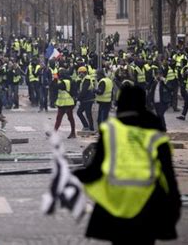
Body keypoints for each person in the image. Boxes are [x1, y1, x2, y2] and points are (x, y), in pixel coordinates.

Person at [74, 86, 181, 245]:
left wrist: (74, 176)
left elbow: (95, 170)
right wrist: (173, 203)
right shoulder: (156, 135)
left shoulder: (110, 130)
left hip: (117, 202)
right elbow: (168, 176)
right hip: (148, 203)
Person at [53, 69, 76, 138]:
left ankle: (73, 133)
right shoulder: (68, 80)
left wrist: (55, 78)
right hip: (63, 103)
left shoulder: (65, 82)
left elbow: (55, 87)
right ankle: (54, 132)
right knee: (60, 118)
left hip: (67, 103)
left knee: (69, 118)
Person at [76, 66, 95, 132]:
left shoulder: (87, 79)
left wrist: (78, 99)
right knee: (80, 112)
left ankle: (90, 128)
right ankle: (87, 126)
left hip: (88, 99)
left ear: (83, 73)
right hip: (85, 99)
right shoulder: (84, 79)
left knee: (87, 113)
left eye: (80, 73)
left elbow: (84, 90)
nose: (79, 75)